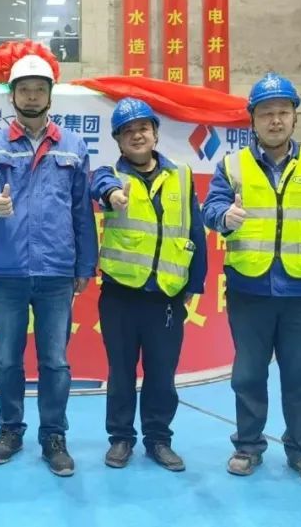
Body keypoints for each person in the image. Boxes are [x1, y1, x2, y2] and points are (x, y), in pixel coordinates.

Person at [203, 73, 301, 485]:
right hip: (250, 289)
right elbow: (210, 210)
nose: (275, 120)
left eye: (283, 112)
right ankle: (247, 446)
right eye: (266, 113)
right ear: (252, 120)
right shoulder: (232, 166)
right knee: (248, 375)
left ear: (295, 117)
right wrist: (224, 217)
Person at [0, 52, 98, 477]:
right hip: (7, 270)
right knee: (7, 359)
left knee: (55, 361)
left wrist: (85, 264)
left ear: (49, 95)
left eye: (38, 89)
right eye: (23, 89)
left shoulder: (73, 146)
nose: (31, 96)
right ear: (12, 96)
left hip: (57, 271)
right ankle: (10, 430)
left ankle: (53, 436)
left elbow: (81, 210)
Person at [90, 97, 207, 470]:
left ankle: (158, 439)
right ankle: (121, 438)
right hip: (121, 296)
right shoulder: (109, 174)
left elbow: (194, 230)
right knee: (121, 373)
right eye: (127, 131)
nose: (137, 135)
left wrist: (195, 283)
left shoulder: (181, 176)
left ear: (155, 134)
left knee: (162, 374)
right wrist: (112, 194)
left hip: (166, 297)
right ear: (118, 140)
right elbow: (101, 185)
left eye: (143, 128)